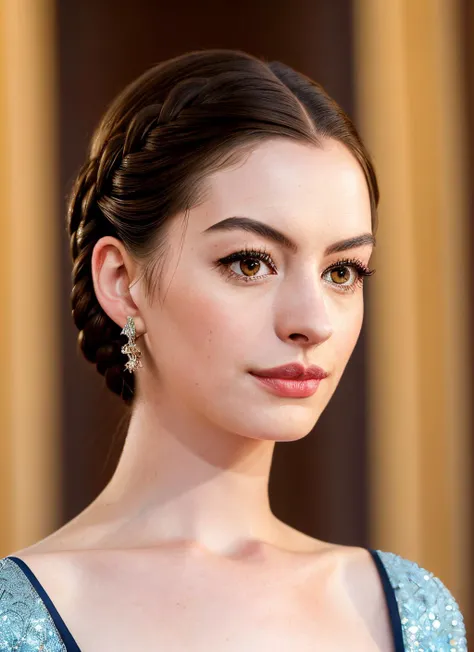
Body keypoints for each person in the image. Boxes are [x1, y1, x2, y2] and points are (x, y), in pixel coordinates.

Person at [0, 49, 467, 651]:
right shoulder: (20, 620)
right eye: (250, 263)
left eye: (344, 271)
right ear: (121, 279)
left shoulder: (406, 610)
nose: (311, 322)